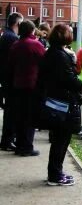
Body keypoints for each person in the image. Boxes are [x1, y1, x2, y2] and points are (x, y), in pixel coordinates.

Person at [38, 24, 82, 186]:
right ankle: (55, 175)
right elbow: (67, 79)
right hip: (62, 103)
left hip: (56, 100)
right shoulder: (60, 56)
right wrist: (81, 84)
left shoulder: (53, 53)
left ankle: (56, 172)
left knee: (60, 140)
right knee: (61, 140)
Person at [8, 20, 45, 156]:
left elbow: (10, 64)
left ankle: (19, 144)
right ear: (32, 31)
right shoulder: (36, 45)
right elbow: (44, 62)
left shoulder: (15, 45)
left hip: (17, 84)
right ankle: (27, 147)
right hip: (32, 85)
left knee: (20, 115)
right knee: (30, 117)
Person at [0, 12, 23, 151]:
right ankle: (7, 141)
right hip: (10, 80)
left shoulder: (6, 35)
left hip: (5, 78)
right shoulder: (12, 38)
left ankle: (7, 140)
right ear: (17, 24)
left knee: (10, 110)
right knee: (12, 112)